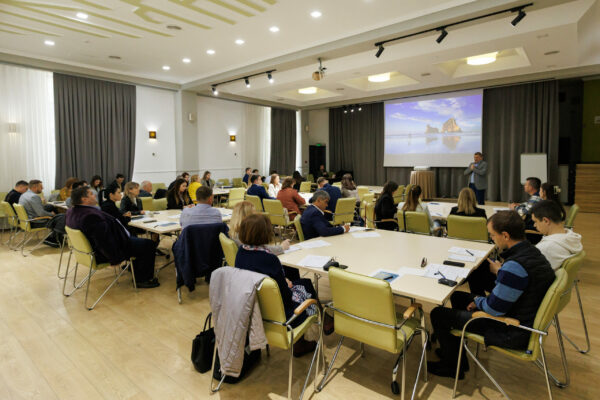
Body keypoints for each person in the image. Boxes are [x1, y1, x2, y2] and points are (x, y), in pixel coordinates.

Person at [427, 211, 555, 379]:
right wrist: (500, 274)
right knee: (457, 296)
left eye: (493, 235)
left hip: (512, 329)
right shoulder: (532, 252)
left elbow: (493, 309)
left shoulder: (515, 266)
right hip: (523, 315)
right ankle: (455, 355)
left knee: (438, 314)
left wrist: (478, 301)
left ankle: (452, 368)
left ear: (505, 235)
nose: (492, 239)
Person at [234, 213, 319, 355]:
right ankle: (301, 342)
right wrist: (286, 285)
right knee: (307, 286)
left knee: (302, 281)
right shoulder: (269, 259)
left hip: (255, 310)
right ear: (265, 234)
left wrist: (281, 282)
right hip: (282, 316)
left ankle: (307, 337)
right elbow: (286, 297)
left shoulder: (241, 253)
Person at [66, 187, 159, 288]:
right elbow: (103, 240)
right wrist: (114, 259)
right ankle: (142, 280)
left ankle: (136, 268)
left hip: (88, 251)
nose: (95, 195)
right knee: (149, 244)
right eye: (91, 194)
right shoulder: (90, 216)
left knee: (140, 241)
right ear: (84, 199)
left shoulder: (72, 211)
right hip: (109, 250)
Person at [532, 200, 582, 270]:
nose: (534, 225)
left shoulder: (545, 248)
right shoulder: (572, 237)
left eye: (535, 221)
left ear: (546, 221)